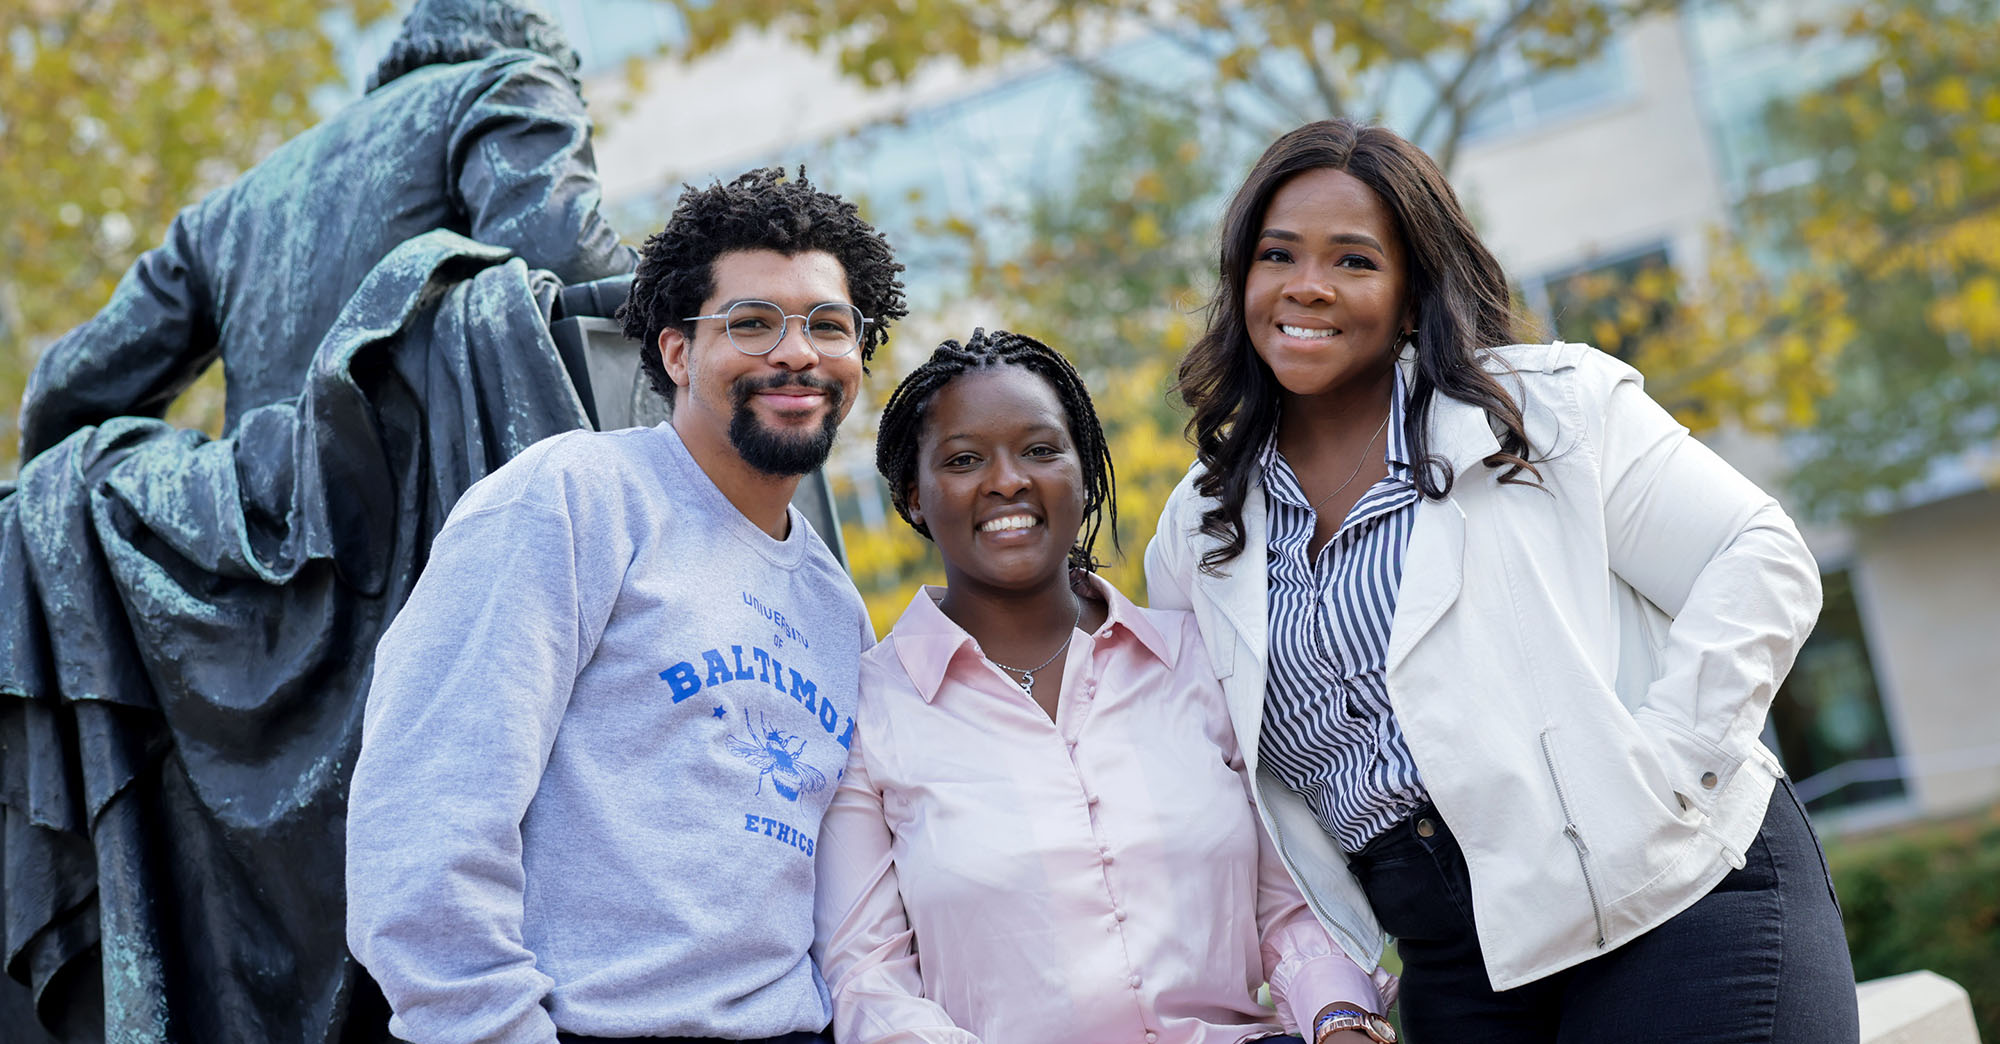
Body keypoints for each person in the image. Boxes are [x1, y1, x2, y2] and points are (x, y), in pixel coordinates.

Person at [1145, 118, 1860, 1043]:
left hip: (1674, 902)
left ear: (1410, 296)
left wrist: (1668, 773)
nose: (1307, 285)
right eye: (1278, 254)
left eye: (1354, 261)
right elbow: (1223, 788)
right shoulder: (1199, 531)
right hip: (1452, 958)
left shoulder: (1544, 410)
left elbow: (1758, 556)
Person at [345, 167, 906, 1044]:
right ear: (679, 353)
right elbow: (426, 820)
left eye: (828, 327)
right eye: (752, 323)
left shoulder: (837, 603)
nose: (797, 353)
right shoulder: (574, 497)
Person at [813, 329, 1391, 1044]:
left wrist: (1340, 1018)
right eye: (964, 460)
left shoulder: (1198, 656)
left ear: (1084, 472)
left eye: (1040, 449)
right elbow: (866, 976)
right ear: (915, 498)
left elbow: (1292, 904)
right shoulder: (867, 713)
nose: (1007, 481)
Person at [17, 0, 636, 462]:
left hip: (255, 546)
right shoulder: (512, 82)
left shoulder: (229, 208)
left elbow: (66, 388)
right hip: (429, 516)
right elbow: (564, 253)